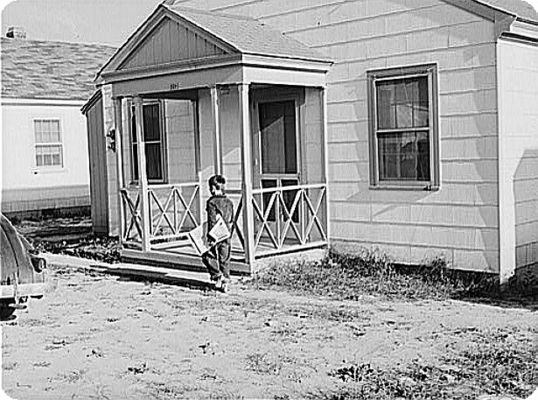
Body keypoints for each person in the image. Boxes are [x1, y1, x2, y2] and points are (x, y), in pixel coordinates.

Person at [202, 175, 234, 292]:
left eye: (210, 188)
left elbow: (212, 220)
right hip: (226, 233)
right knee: (224, 258)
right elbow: (231, 219)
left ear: (213, 188)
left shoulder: (212, 202)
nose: (210, 190)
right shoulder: (229, 202)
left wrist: (210, 235)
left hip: (215, 233)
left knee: (207, 255)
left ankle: (217, 276)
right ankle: (226, 280)